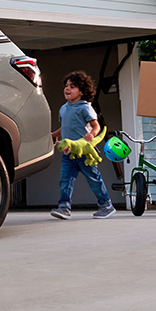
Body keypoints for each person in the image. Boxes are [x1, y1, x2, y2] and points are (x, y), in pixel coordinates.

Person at [50, 71, 115, 220]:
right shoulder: (63, 108)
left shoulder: (85, 108)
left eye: (72, 87)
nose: (67, 89)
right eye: (66, 86)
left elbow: (96, 126)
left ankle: (106, 205)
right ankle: (64, 207)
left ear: (82, 91)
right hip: (68, 152)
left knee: (93, 179)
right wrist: (54, 135)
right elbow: (65, 126)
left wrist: (92, 134)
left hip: (84, 152)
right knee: (65, 179)